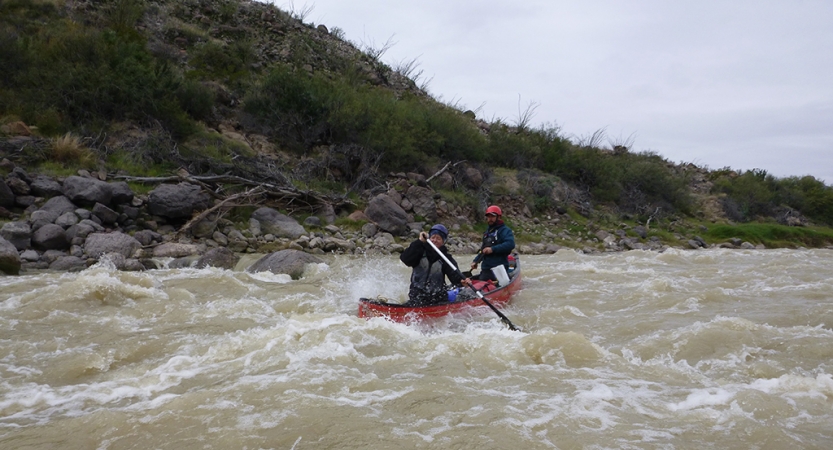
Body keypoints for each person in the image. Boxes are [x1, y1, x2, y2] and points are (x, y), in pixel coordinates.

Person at [400, 224, 472, 306]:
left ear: (443, 242)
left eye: (438, 238)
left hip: (437, 298)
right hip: (417, 297)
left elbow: (454, 274)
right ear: (429, 239)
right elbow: (405, 259)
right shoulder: (419, 251)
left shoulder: (446, 258)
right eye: (433, 237)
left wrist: (461, 281)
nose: (435, 240)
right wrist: (419, 241)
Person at [471, 205, 515, 281]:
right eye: (488, 216)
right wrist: (476, 261)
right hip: (486, 270)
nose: (490, 219)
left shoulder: (505, 230)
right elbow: (483, 250)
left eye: (492, 216)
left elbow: (510, 244)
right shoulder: (487, 233)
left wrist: (492, 249)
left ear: (499, 217)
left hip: (500, 269)